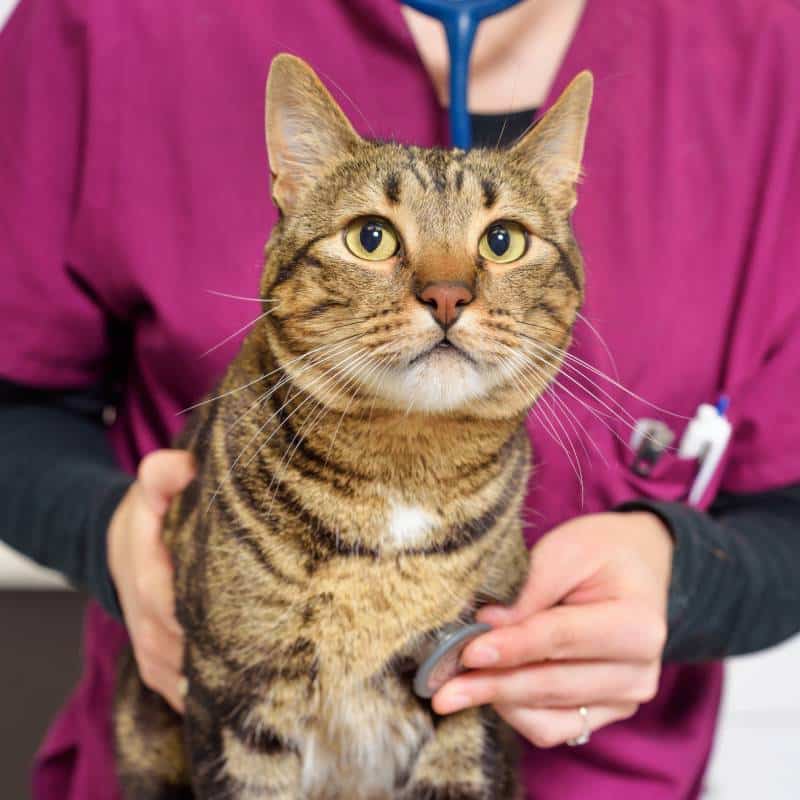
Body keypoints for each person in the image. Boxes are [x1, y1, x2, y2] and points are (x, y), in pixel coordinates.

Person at [1, 0, 800, 797]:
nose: (444, 294)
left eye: (502, 241)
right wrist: (110, 535)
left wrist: (689, 577)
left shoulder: (768, 47)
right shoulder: (104, 20)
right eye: (375, 238)